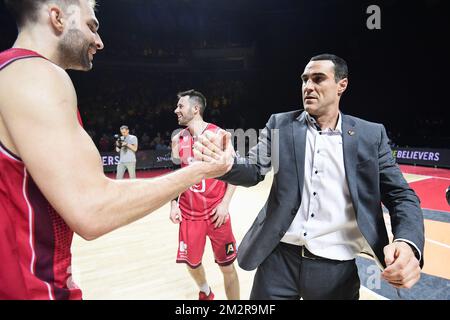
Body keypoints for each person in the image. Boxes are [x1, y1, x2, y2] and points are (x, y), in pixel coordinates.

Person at [0, 0, 232, 300]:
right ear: (57, 17)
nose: (99, 41)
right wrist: (201, 170)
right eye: (91, 25)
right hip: (36, 288)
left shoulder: (9, 71)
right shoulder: (37, 74)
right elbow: (92, 210)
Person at [195, 54, 424, 300]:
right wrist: (228, 164)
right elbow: (253, 169)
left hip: (337, 267)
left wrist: (407, 242)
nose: (308, 87)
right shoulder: (280, 124)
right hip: (278, 261)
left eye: (318, 79)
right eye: (305, 80)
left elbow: (402, 195)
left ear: (341, 85)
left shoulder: (370, 135)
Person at [170, 90, 240, 300]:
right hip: (189, 215)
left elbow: (235, 172)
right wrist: (173, 204)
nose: (176, 110)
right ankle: (206, 291)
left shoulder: (219, 135)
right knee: (192, 263)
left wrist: (225, 203)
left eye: (181, 106)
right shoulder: (177, 140)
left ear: (195, 109)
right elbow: (177, 176)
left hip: (216, 214)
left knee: (227, 267)